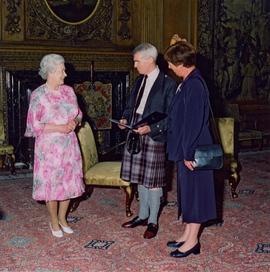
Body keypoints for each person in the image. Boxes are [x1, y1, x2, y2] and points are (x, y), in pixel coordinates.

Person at [164, 40, 217, 257]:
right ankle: (188, 233)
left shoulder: (194, 84)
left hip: (194, 148)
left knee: (195, 193)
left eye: (170, 63)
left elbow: (193, 123)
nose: (168, 67)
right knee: (188, 191)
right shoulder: (188, 81)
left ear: (181, 63)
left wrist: (188, 153)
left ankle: (193, 241)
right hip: (187, 146)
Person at [119, 43, 177, 239]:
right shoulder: (139, 80)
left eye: (137, 61)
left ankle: (153, 220)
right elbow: (130, 106)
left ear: (149, 60)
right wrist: (125, 118)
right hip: (135, 129)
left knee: (152, 180)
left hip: (153, 134)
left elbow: (172, 116)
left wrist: (151, 128)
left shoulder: (168, 84)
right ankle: (142, 215)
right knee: (139, 177)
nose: (135, 65)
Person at [25, 54, 85, 238]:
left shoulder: (68, 91)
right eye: (61, 71)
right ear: (50, 72)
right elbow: (34, 125)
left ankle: (62, 218)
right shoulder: (38, 95)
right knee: (52, 185)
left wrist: (75, 121)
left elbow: (79, 114)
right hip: (49, 148)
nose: (65, 74)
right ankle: (53, 221)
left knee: (67, 183)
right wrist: (60, 127)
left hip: (69, 145)